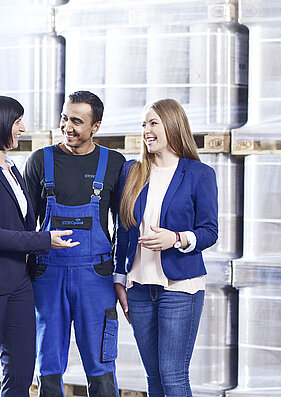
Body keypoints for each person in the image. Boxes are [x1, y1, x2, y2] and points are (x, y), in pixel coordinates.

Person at [0, 95, 79, 397]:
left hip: (18, 283)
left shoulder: (11, 167)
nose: (22, 128)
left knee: (22, 369)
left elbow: (22, 220)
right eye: (17, 121)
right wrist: (43, 240)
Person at [24, 91, 126, 396]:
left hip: (96, 278)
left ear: (95, 127)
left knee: (102, 369)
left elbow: (123, 226)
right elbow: (27, 225)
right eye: (64, 118)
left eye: (77, 121)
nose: (67, 126)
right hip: (48, 277)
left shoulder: (115, 163)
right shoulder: (40, 161)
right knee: (49, 368)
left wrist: (119, 273)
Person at [113, 98, 218, 396]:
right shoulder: (132, 172)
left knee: (173, 377)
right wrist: (120, 278)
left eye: (153, 123)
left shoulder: (199, 174)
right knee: (154, 379)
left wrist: (176, 238)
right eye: (144, 124)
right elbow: (123, 229)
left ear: (172, 125)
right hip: (139, 289)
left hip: (180, 287)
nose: (146, 130)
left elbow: (210, 232)